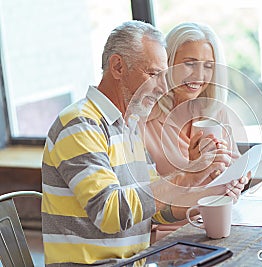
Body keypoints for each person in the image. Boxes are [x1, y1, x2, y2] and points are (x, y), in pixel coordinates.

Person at [41, 20, 248, 266]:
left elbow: (157, 211)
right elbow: (110, 213)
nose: (161, 86)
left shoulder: (128, 127)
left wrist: (211, 192)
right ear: (118, 66)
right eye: (152, 74)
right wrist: (185, 176)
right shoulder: (79, 123)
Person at [139, 22, 244, 242]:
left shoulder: (216, 113)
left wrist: (236, 180)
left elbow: (237, 167)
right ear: (167, 64)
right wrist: (195, 174)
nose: (199, 75)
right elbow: (147, 203)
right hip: (169, 236)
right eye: (189, 64)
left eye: (208, 66)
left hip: (219, 225)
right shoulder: (144, 120)